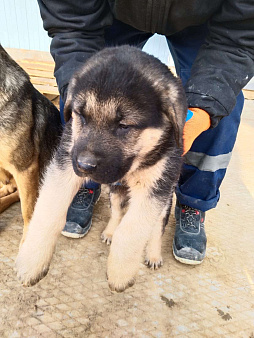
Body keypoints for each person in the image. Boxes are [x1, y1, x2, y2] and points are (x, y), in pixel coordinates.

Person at [37, 0, 254, 264]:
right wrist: (79, 89)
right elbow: (71, 26)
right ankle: (87, 181)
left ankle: (193, 203)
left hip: (204, 17)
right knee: (84, 101)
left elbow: (239, 37)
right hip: (114, 10)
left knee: (219, 106)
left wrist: (204, 110)